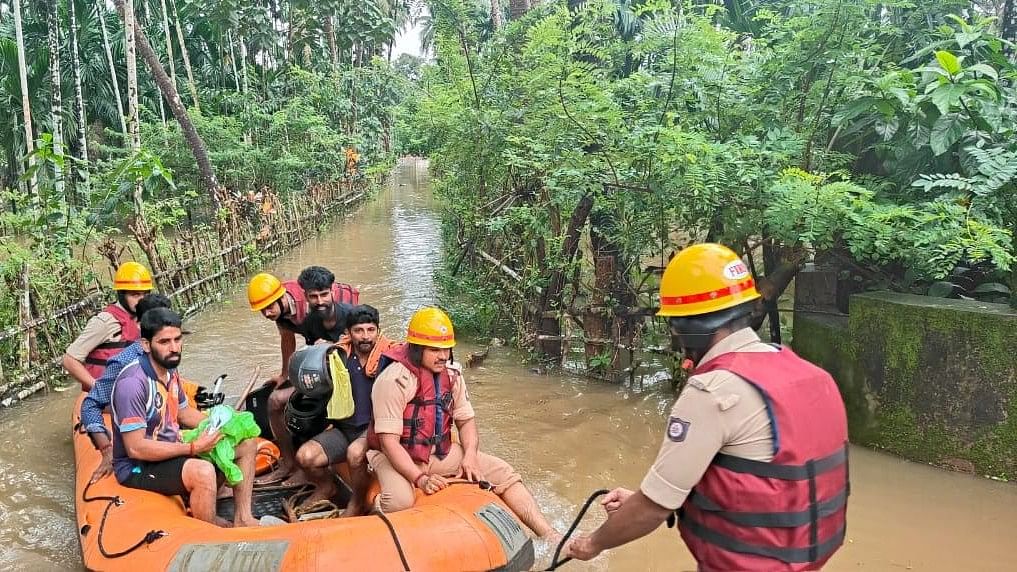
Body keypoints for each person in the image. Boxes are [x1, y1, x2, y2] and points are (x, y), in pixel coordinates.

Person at [562, 243, 849, 571]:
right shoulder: (815, 376)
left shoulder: (711, 391)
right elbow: (763, 477)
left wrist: (591, 543)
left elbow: (652, 511)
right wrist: (647, 501)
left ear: (686, 328)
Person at [366, 307, 560, 543]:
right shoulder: (393, 380)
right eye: (435, 349)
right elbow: (389, 443)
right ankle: (375, 506)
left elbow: (466, 422)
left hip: (439, 452)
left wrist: (470, 456)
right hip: (395, 455)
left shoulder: (452, 375)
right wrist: (420, 479)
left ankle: (549, 534)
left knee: (505, 473)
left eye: (447, 348)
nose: (443, 355)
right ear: (417, 350)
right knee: (400, 502)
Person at [110, 307, 259, 528]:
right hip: (138, 466)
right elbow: (136, 448)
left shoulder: (170, 372)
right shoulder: (132, 384)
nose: (174, 348)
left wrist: (220, 425)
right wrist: (194, 448)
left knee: (246, 442)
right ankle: (208, 533)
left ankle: (243, 518)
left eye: (177, 339)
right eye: (164, 342)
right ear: (145, 345)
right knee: (203, 472)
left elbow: (183, 412)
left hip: (171, 447)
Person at [246, 266, 357, 484]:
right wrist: (285, 374)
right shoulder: (293, 317)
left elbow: (359, 342)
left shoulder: (325, 312)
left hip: (343, 370)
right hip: (323, 367)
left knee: (307, 412)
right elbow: (288, 339)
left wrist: (333, 347)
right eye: (263, 310)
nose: (267, 313)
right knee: (275, 401)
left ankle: (312, 466)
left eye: (270, 307)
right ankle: (289, 462)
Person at [293, 305, 393, 516]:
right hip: (344, 427)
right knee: (305, 457)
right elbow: (308, 374)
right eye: (359, 330)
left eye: (371, 330)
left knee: (355, 453)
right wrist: (316, 352)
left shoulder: (389, 358)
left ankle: (357, 502)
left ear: (378, 331)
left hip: (372, 429)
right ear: (348, 333)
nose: (365, 336)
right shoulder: (337, 356)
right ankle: (326, 486)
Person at [80, 293, 172, 484]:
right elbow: (90, 405)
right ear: (140, 325)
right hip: (139, 447)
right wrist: (106, 450)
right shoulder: (124, 364)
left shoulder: (170, 356)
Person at [63, 261, 154, 391]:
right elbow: (69, 360)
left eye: (145, 294)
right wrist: (98, 388)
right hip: (109, 397)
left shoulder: (144, 317)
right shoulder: (104, 322)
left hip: (133, 390)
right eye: (135, 294)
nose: (142, 300)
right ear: (122, 295)